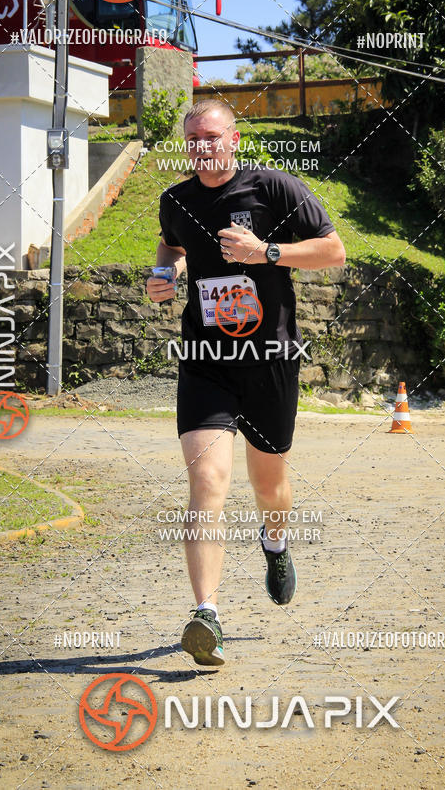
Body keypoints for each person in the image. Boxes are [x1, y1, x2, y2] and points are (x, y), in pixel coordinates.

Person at [147, 99, 345, 666]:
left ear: (234, 138)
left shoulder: (277, 189)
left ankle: (276, 543)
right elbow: (173, 242)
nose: (202, 147)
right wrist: (165, 273)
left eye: (211, 136)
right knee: (207, 480)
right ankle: (205, 615)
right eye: (193, 139)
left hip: (270, 360)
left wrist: (268, 252)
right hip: (206, 358)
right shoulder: (177, 199)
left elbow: (334, 251)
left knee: (267, 487)